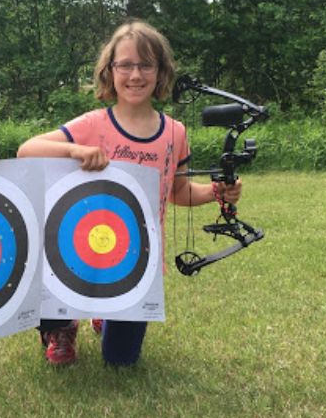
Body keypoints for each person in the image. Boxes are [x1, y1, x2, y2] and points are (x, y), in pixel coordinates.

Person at [17, 19, 242, 367]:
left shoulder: (174, 133)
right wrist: (77, 151)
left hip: (134, 262)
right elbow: (27, 150)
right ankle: (62, 326)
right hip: (79, 247)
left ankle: (105, 315)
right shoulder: (94, 124)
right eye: (125, 65)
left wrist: (217, 192)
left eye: (145, 65)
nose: (135, 75)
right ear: (110, 71)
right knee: (52, 269)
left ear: (161, 72)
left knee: (121, 360)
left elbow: (178, 192)